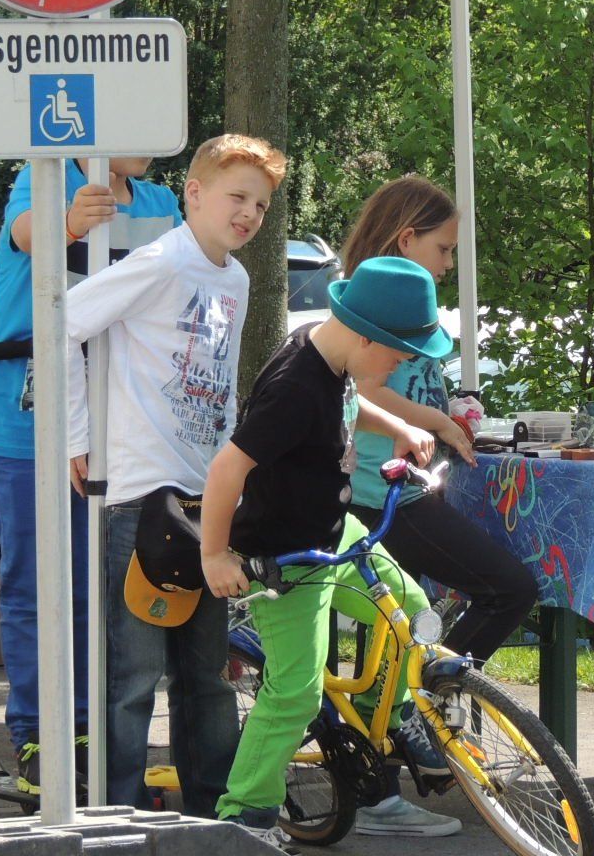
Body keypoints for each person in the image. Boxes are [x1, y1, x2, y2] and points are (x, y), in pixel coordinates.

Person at [63, 133, 286, 817]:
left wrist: (234, 478)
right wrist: (77, 436)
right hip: (140, 494)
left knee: (207, 677)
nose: (248, 214)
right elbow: (62, 323)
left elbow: (222, 389)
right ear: (193, 192)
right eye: (237, 197)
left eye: (261, 204)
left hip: (205, 502)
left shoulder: (236, 279)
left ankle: (213, 814)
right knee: (133, 677)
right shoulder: (160, 261)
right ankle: (116, 815)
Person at [200, 257, 453, 852]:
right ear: (366, 337)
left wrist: (396, 425)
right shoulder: (293, 388)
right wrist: (214, 554)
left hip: (332, 533)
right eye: (397, 357)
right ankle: (246, 815)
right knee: (296, 692)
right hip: (285, 558)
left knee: (411, 613)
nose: (399, 367)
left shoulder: (329, 348)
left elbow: (346, 404)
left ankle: (390, 718)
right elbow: (227, 467)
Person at [0, 155, 177, 793]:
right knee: (36, 586)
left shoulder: (159, 203)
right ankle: (38, 734)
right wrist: (69, 221)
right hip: (25, 425)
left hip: (117, 433)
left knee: (102, 589)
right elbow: (28, 232)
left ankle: (92, 732)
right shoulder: (46, 174)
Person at [341, 174, 538, 837]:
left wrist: (453, 410)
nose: (450, 264)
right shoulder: (378, 300)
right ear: (407, 239)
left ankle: (403, 744)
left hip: (405, 490)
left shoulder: (407, 300)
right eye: (444, 249)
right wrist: (438, 421)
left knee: (395, 636)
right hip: (381, 498)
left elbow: (410, 386)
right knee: (507, 588)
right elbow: (363, 391)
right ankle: (425, 713)